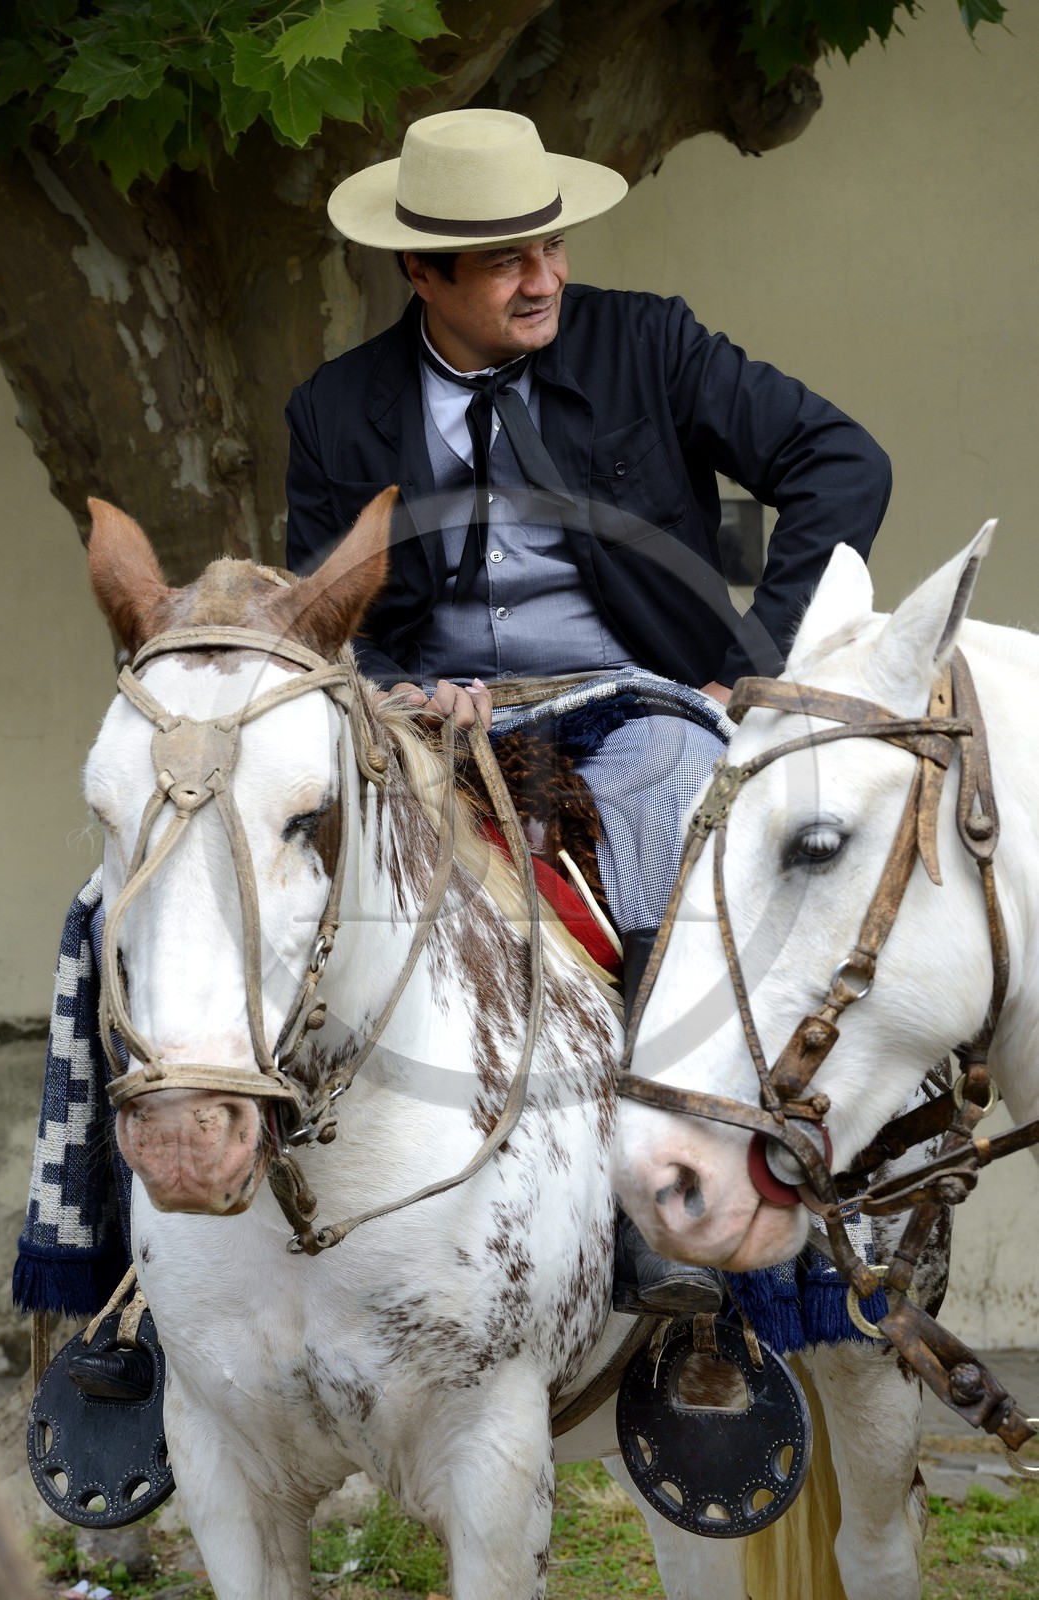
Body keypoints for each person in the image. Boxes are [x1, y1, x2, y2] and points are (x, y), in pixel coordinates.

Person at [284, 108, 892, 1316]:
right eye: (508, 259)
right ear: (420, 269)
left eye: (551, 247)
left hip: (640, 701)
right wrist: (399, 685)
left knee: (673, 776)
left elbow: (841, 461)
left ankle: (669, 1204)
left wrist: (756, 663)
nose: (545, 277)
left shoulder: (648, 343)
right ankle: (165, 1280)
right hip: (434, 728)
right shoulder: (334, 409)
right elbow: (331, 609)